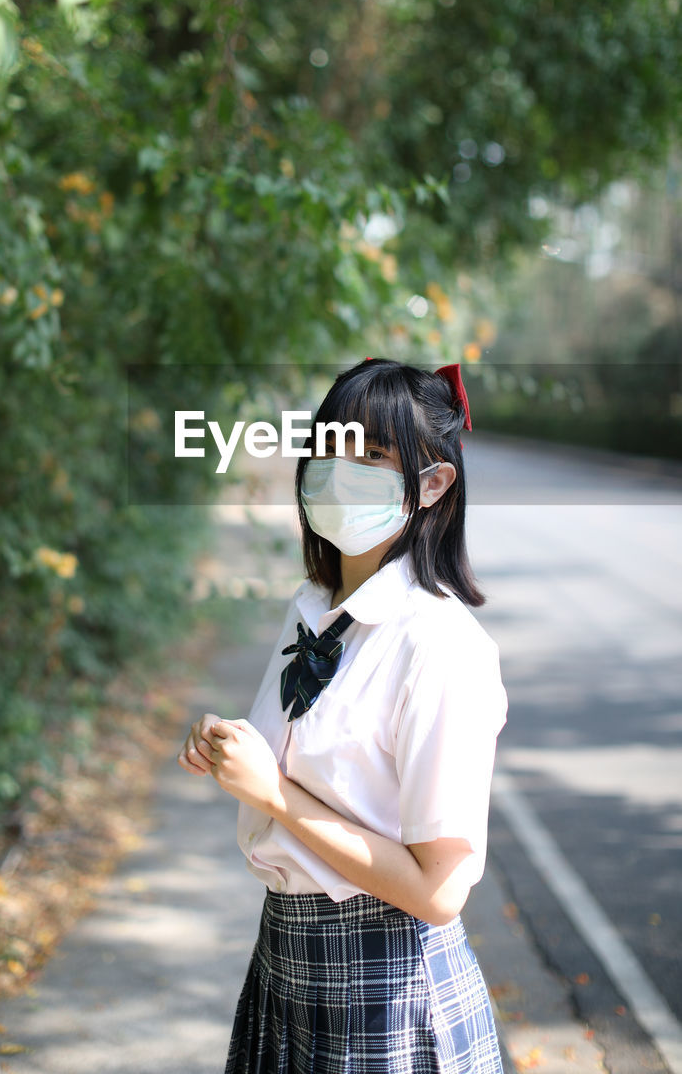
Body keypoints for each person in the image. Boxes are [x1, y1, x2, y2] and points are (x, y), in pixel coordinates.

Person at [178, 357, 508, 1074]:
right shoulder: (313, 610)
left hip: (385, 994)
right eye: (328, 447)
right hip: (285, 970)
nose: (338, 469)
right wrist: (230, 750)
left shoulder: (438, 645)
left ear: (432, 484)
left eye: (371, 456)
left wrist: (273, 796)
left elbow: (438, 890)